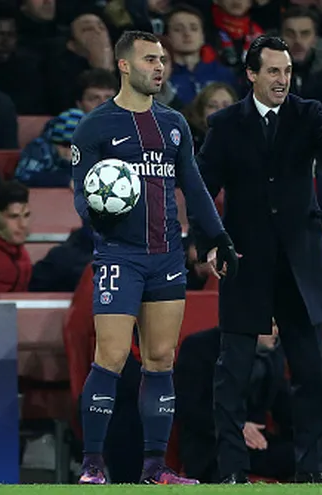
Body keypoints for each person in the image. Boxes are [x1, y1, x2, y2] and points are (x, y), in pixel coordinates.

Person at [193, 35, 322, 484]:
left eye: (287, 72)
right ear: (251, 74)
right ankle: (232, 471)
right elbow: (201, 189)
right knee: (231, 374)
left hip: (297, 264)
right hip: (245, 262)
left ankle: (312, 471)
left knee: (309, 373)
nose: (282, 80)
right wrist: (210, 241)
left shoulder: (306, 113)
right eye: (273, 71)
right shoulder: (226, 124)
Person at [70, 30, 238, 485]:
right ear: (124, 65)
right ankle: (91, 465)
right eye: (149, 59)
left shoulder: (175, 124)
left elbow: (195, 187)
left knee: (162, 359)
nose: (159, 66)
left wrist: (216, 237)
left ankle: (155, 469)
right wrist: (100, 216)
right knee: (111, 356)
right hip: (120, 257)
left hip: (167, 257)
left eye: (162, 59)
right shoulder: (95, 126)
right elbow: (81, 197)